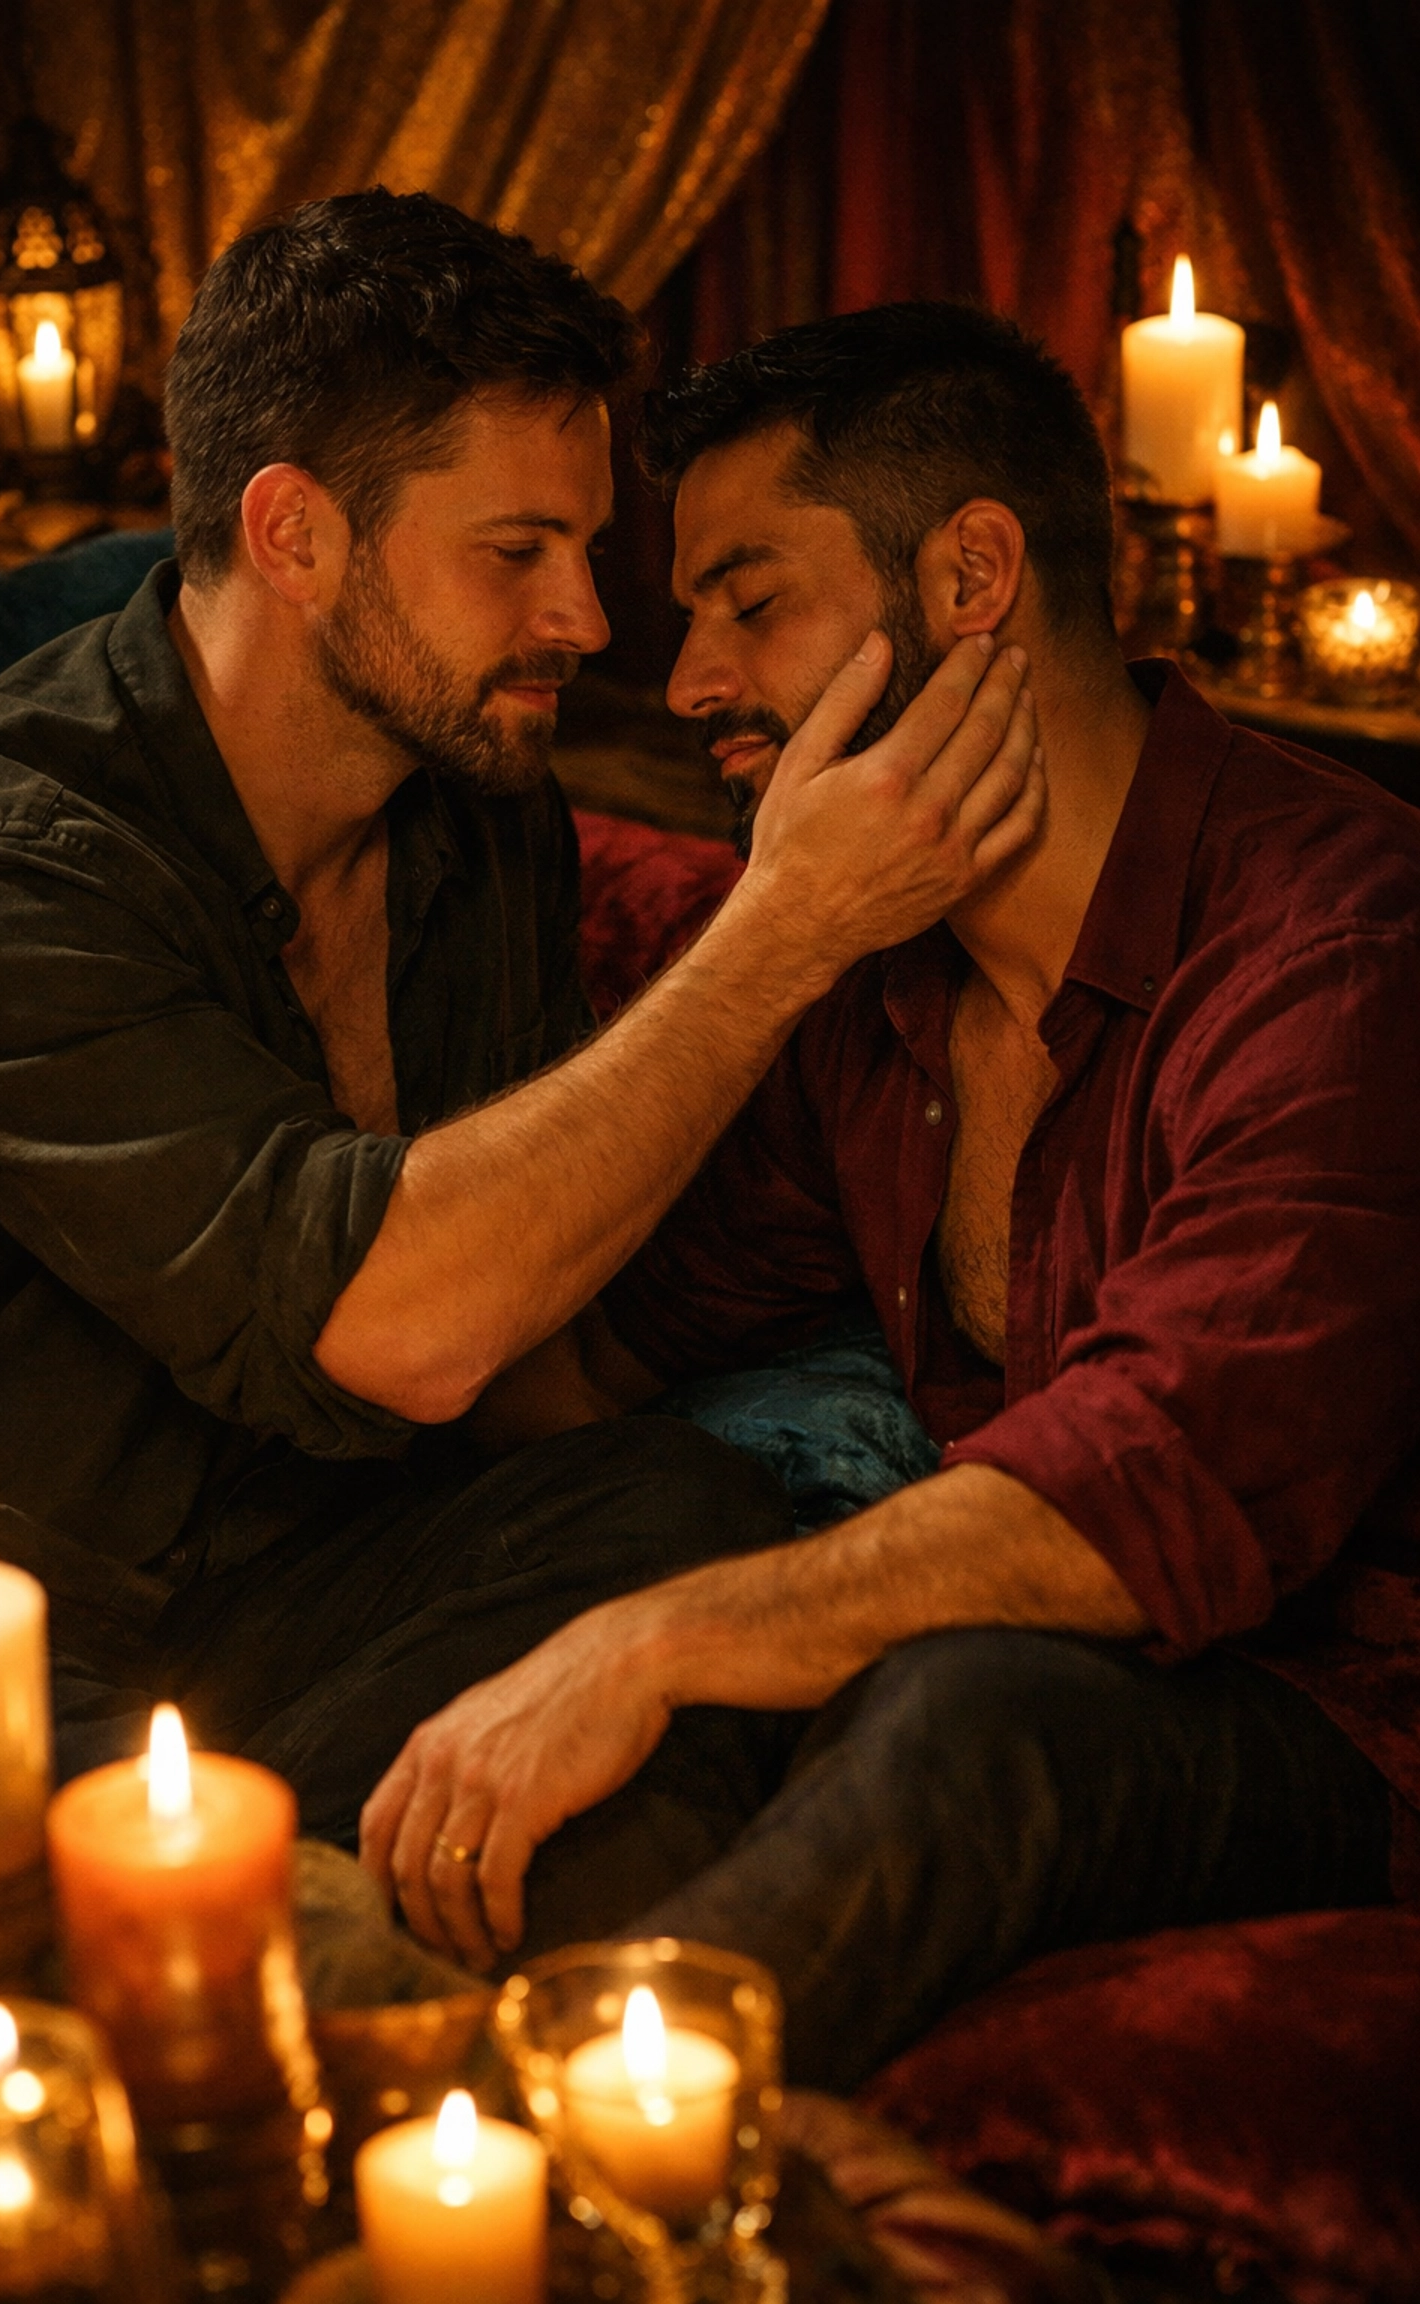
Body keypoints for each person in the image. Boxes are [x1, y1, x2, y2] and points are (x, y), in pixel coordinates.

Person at [0, 201, 1042, 1934]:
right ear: (293, 536)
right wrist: (781, 926)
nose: (586, 616)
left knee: (692, 1516)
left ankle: (584, 2011)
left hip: (335, 1574)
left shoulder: (483, 816)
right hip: (15, 1652)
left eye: (587, 545)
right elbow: (407, 1324)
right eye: (518, 552)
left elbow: (526, 1358)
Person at [360, 303, 1420, 2088]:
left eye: (747, 600)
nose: (685, 677)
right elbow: (596, 1356)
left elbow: (1142, 1489)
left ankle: (557, 2167)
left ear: (973, 576)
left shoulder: (1346, 945)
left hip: (1340, 1717)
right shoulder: (874, 980)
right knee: (655, 1550)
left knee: (960, 1704)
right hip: (985, 1667)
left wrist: (650, 1642)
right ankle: (437, 2107)